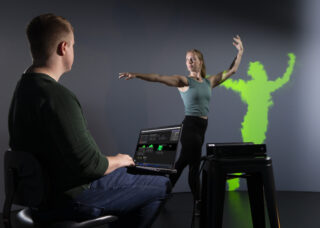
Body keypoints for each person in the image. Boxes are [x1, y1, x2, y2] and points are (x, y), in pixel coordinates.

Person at [8, 13, 170, 228]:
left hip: (43, 196)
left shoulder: (24, 89)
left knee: (127, 176)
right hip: (71, 198)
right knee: (161, 183)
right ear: (63, 47)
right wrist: (120, 159)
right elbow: (92, 166)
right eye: (73, 45)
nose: (74, 50)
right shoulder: (57, 96)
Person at [119, 36, 244, 215]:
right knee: (193, 166)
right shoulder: (184, 81)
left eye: (193, 59)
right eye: (187, 59)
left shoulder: (209, 82)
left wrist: (240, 52)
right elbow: (158, 77)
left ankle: (159, 195)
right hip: (190, 128)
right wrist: (136, 75)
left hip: (201, 129)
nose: (189, 62)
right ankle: (199, 203)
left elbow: (232, 70)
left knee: (180, 165)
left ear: (200, 61)